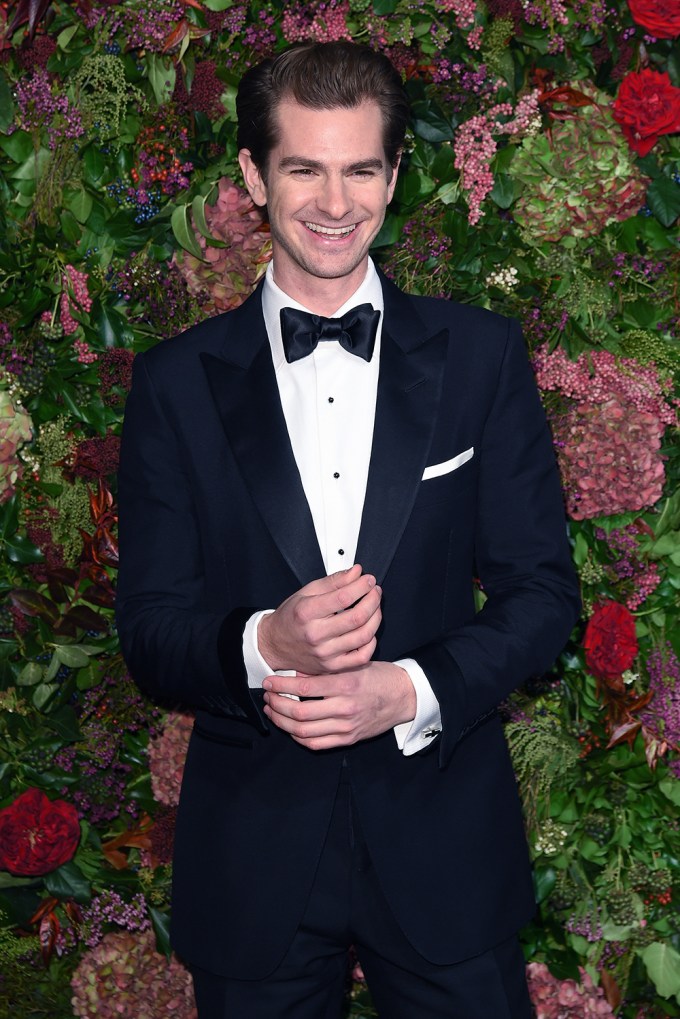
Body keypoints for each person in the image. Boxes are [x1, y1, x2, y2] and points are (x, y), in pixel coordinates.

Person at [116, 41, 580, 1018]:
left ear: (395, 174)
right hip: (252, 861)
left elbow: (542, 596)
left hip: (445, 848)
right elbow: (151, 631)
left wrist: (407, 688)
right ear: (253, 174)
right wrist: (263, 641)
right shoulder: (172, 383)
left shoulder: (482, 357)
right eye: (304, 168)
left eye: (360, 168)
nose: (335, 203)